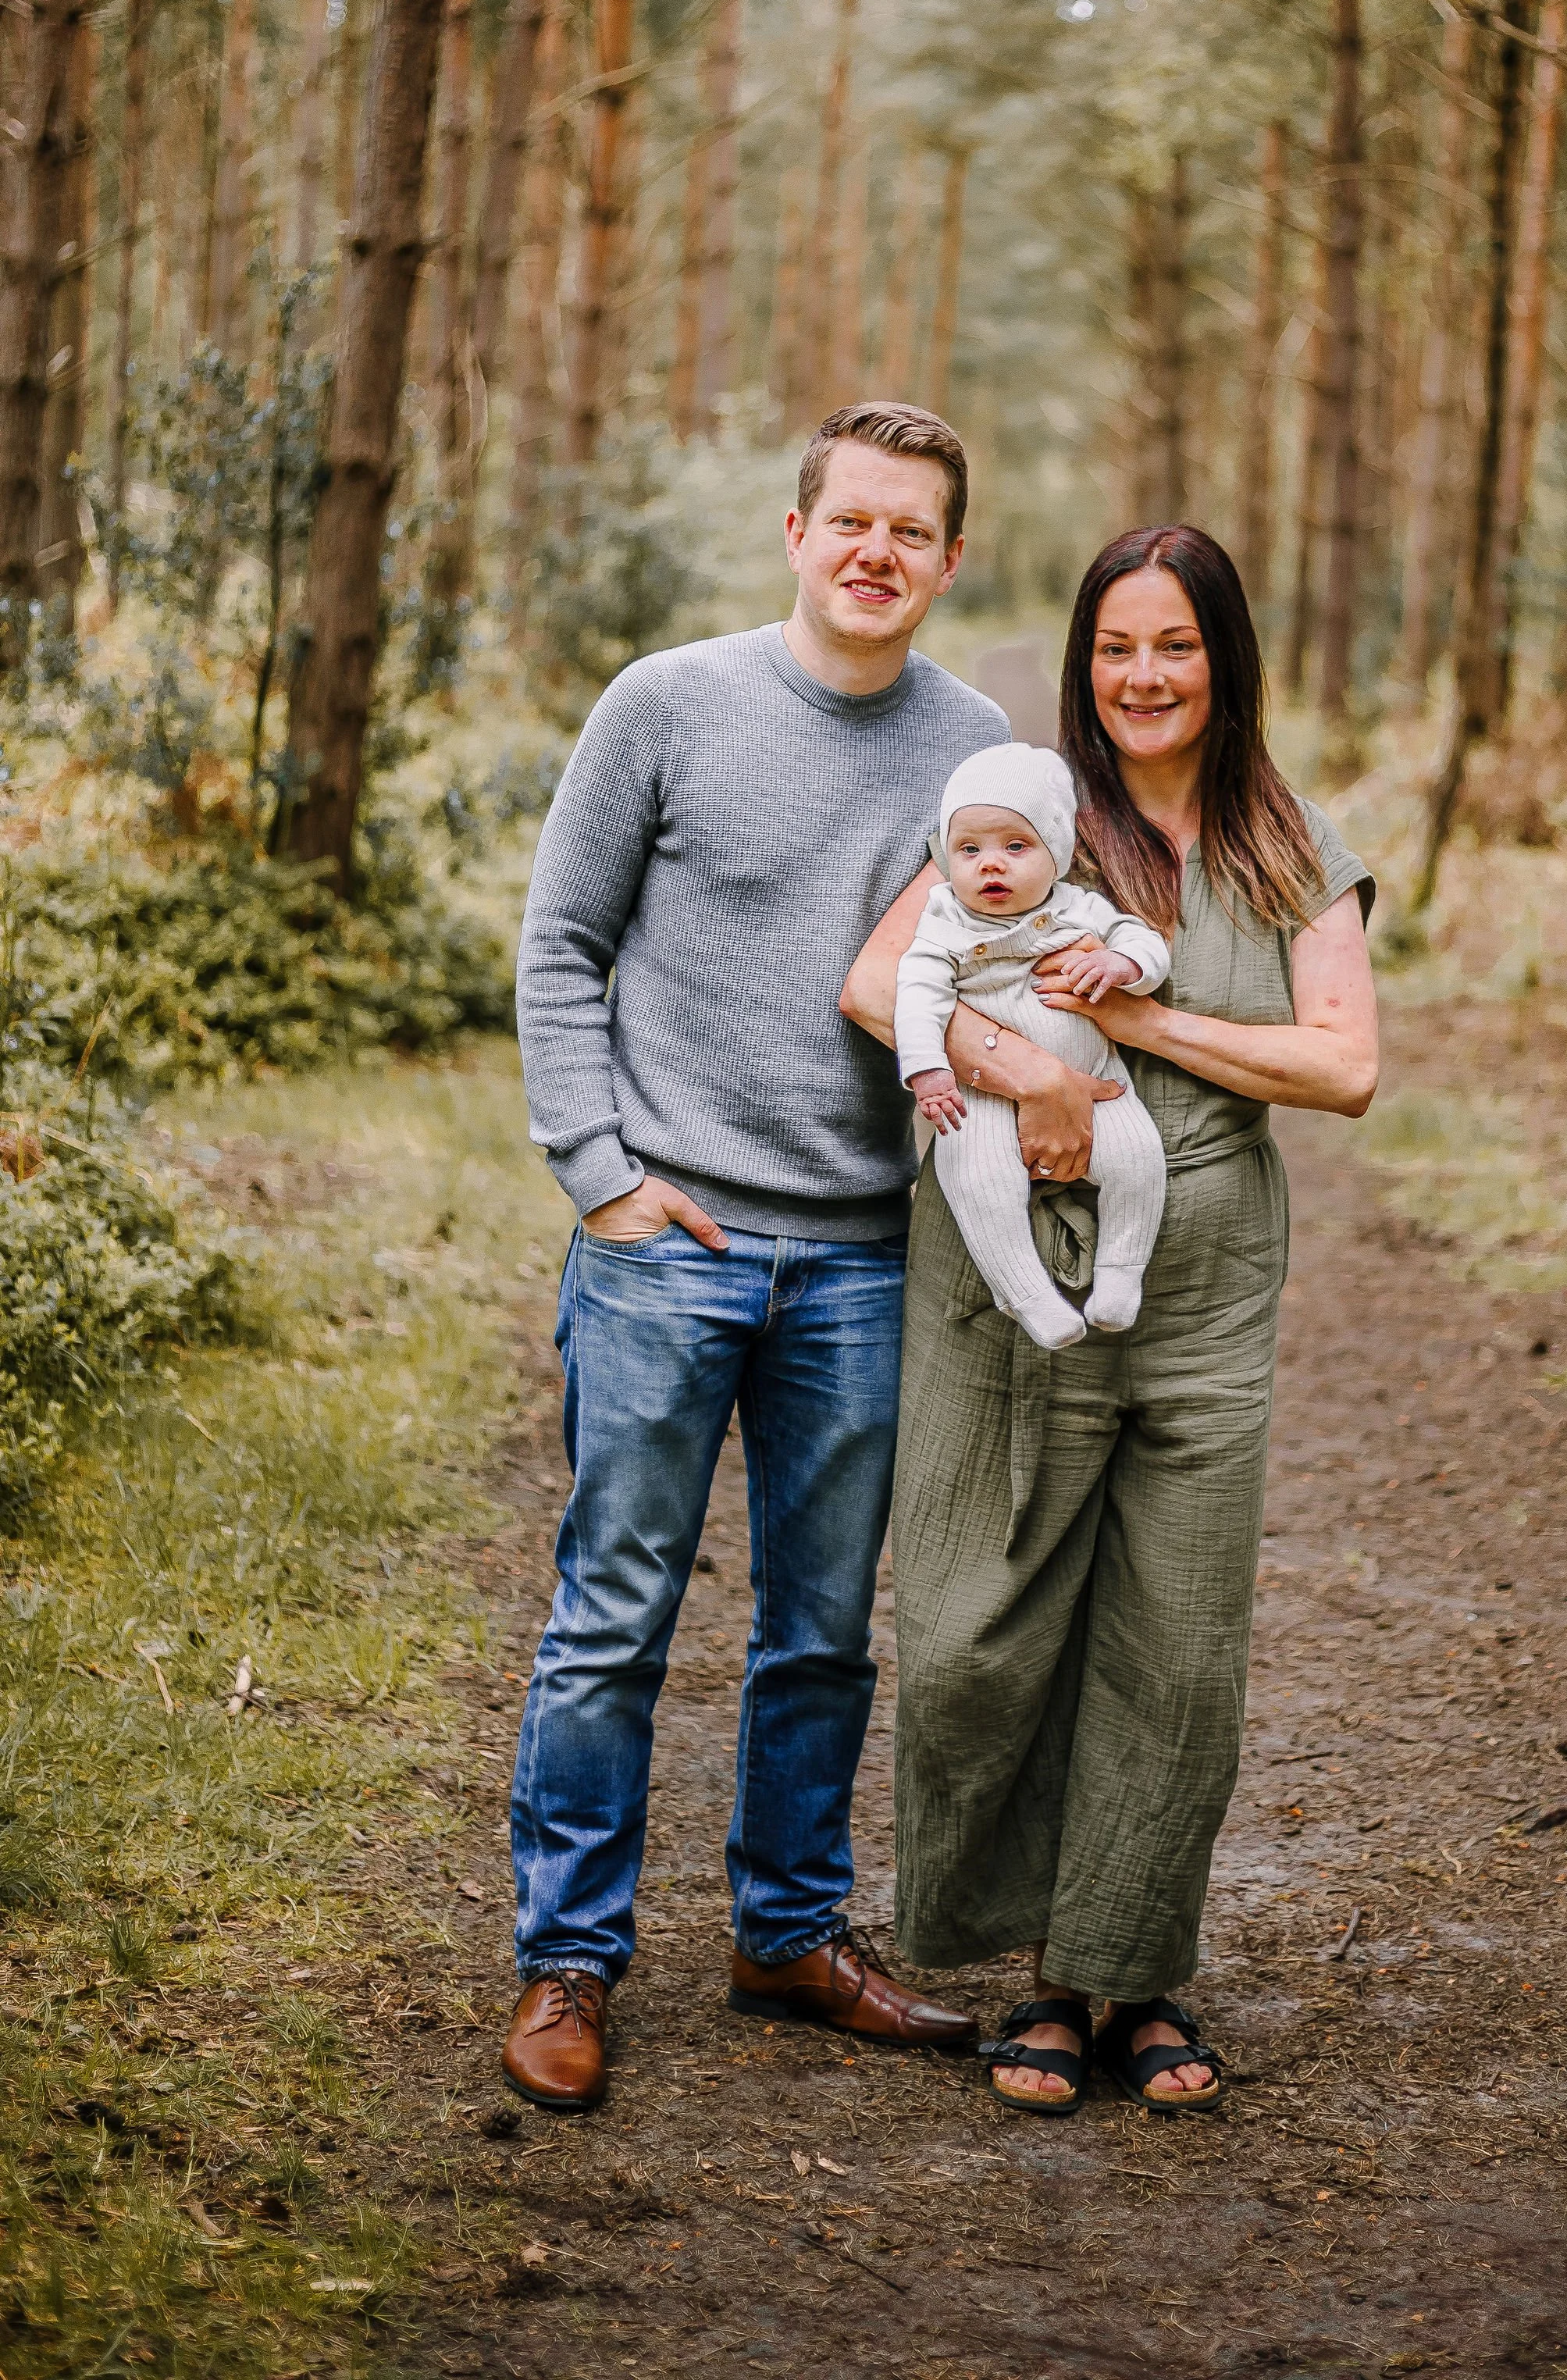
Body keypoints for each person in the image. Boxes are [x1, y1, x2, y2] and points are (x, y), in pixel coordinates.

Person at [502, 401, 1006, 2113]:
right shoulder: (668, 704)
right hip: (667, 1244)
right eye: (849, 520)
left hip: (863, 1260)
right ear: (798, 534)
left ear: (951, 560)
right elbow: (560, 949)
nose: (877, 553)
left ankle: (788, 1933)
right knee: (612, 1617)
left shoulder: (977, 751)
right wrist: (600, 1176)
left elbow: (997, 972)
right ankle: (569, 1959)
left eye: (911, 531)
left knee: (821, 1630)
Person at [841, 524, 1378, 2118]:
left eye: (1177, 647)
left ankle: (1121, 1982)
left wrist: (1135, 1024)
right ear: (1085, 663)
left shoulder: (1288, 844)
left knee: (1177, 1644)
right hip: (1003, 1287)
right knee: (971, 1628)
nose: (1144, 677)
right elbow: (881, 985)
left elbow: (1343, 1066)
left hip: (1201, 1290)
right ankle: (1030, 1948)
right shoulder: (1026, 814)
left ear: (1226, 660)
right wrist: (1039, 1072)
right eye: (1117, 648)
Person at [896, 740, 1170, 1349]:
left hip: (1095, 1079)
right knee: (979, 1180)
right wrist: (928, 1071)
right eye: (969, 849)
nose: (990, 865)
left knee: (1139, 1160)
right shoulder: (945, 921)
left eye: (1015, 846)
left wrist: (1124, 965)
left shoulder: (1082, 909)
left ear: (1057, 853)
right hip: (983, 1095)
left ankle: (1122, 1274)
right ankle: (1025, 1294)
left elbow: (1145, 942)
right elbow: (916, 994)